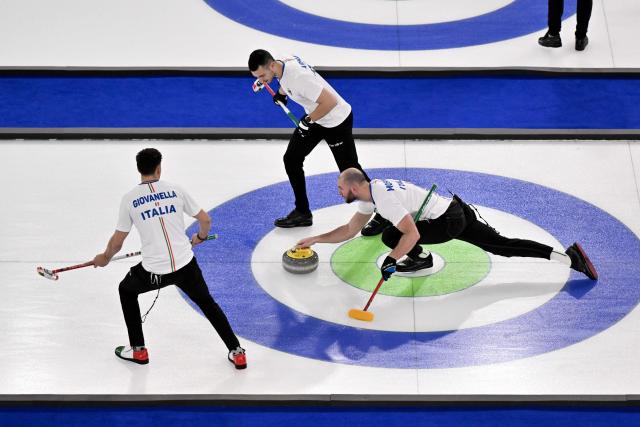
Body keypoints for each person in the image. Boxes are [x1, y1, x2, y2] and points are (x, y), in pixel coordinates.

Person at [296, 168, 598, 282]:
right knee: (503, 247)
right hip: (454, 210)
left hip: (448, 221)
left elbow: (411, 233)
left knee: (392, 235)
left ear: (353, 186)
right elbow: (349, 231)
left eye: (340, 188)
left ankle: (421, 259)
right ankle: (569, 257)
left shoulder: (383, 200)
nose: (338, 192)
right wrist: (316, 240)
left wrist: (390, 260)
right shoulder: (369, 194)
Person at [93, 148, 247, 369]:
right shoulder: (176, 190)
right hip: (186, 266)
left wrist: (105, 257)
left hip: (153, 272)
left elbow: (117, 243)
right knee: (207, 303)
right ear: (159, 168)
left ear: (139, 169)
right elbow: (206, 220)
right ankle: (237, 351)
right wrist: (200, 237)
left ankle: (138, 350)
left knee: (127, 291)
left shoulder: (129, 199)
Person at [248, 49, 389, 235]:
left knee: (350, 170)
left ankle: (385, 212)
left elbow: (329, 102)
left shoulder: (299, 78)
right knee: (291, 158)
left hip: (336, 119)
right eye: (258, 77)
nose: (262, 80)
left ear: (272, 65)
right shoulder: (281, 64)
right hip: (317, 117)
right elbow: (285, 80)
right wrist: (282, 94)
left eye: (263, 76)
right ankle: (302, 212)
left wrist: (307, 121)